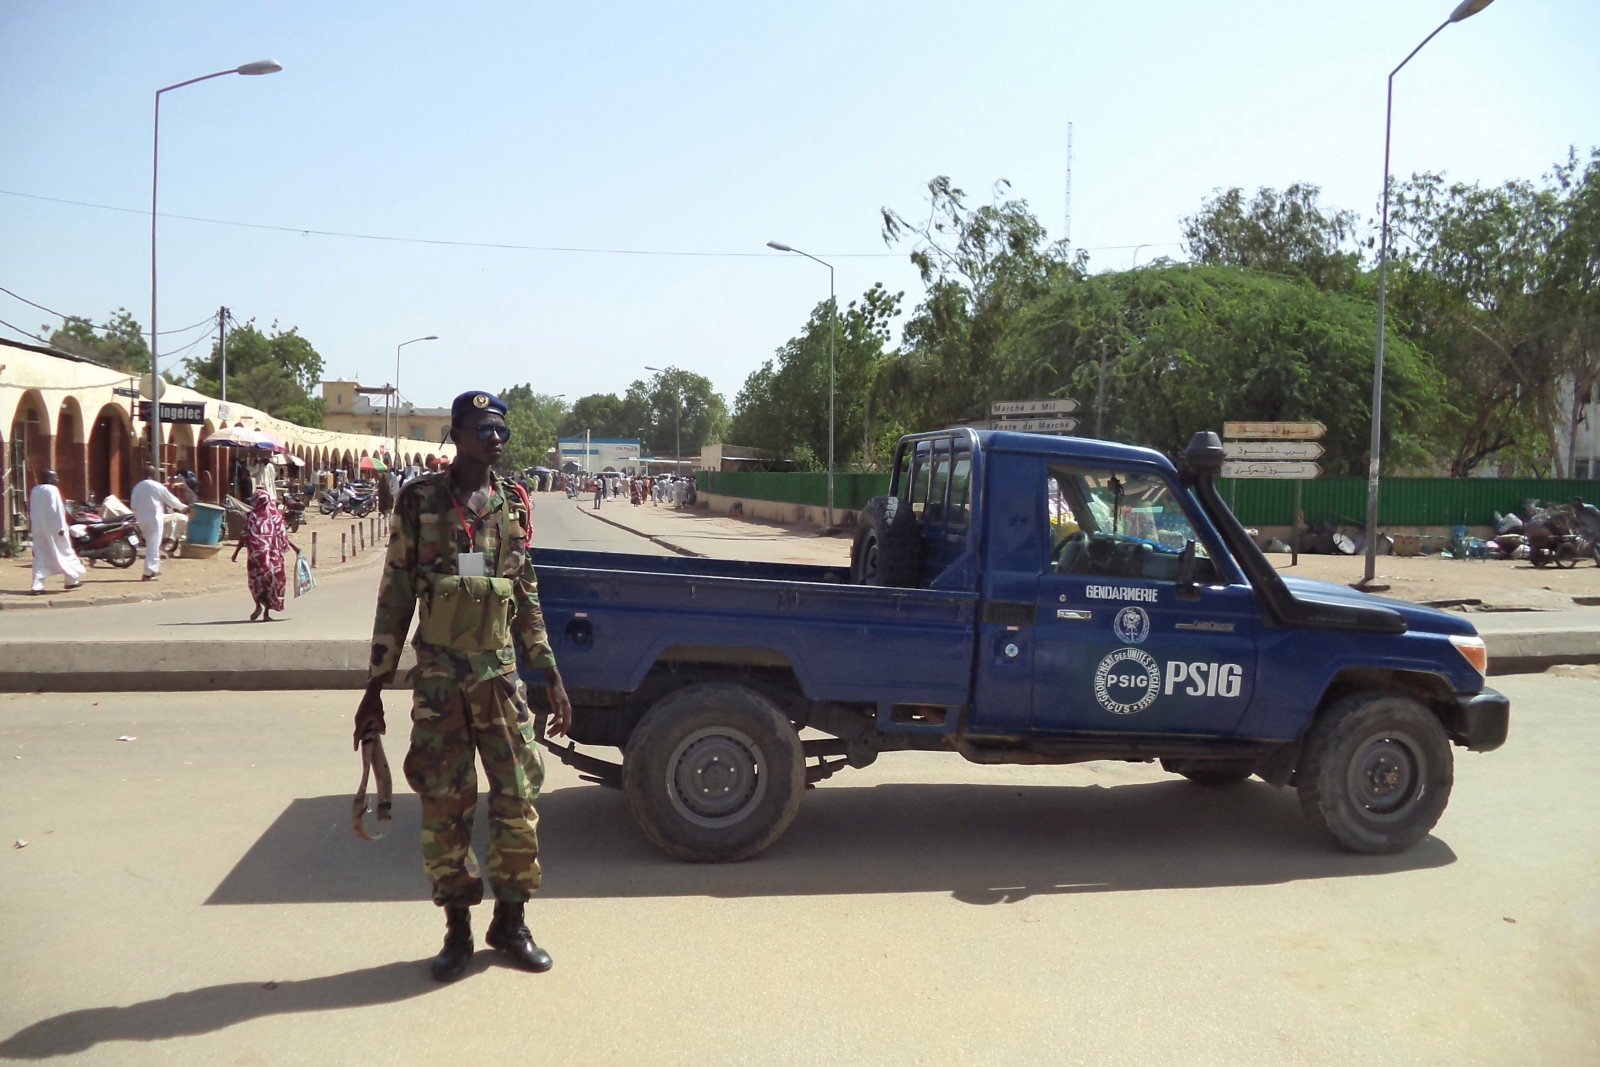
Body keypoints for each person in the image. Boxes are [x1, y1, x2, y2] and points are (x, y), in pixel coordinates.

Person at [353, 390, 572, 983]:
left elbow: (524, 595)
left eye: (500, 429)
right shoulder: (420, 500)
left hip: (499, 681)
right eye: (482, 428)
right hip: (440, 683)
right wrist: (375, 684)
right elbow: (396, 593)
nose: (494, 439)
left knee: (517, 801)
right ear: (456, 433)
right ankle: (457, 930)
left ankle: (511, 920)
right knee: (446, 806)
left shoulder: (511, 505)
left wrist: (548, 671)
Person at [231, 489, 301, 621]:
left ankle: (258, 605)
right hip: (274, 559)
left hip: (257, 558)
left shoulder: (252, 516)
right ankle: (266, 613)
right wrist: (294, 547)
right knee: (271, 583)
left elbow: (244, 535)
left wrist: (236, 552)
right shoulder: (276, 516)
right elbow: (282, 536)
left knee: (257, 582)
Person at [28, 471, 85, 594]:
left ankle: (37, 585)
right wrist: (61, 528)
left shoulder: (35, 490)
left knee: (41, 556)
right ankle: (71, 580)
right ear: (49, 478)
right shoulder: (52, 490)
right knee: (65, 552)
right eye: (55, 477)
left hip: (38, 528)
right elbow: (57, 511)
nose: (57, 479)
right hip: (55, 529)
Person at [130, 465, 187, 581]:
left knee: (152, 544)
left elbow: (133, 505)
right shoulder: (157, 486)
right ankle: (147, 572)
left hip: (141, 519)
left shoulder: (137, 487)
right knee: (153, 545)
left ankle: (152, 570)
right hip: (154, 518)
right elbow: (170, 499)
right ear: (154, 474)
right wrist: (183, 507)